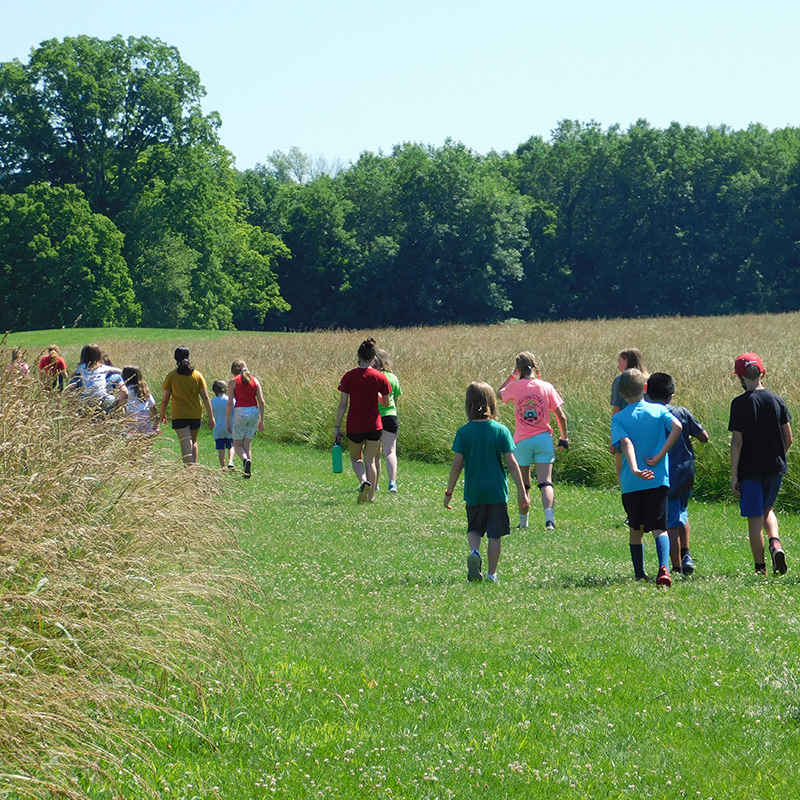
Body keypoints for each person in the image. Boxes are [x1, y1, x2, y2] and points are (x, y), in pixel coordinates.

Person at [444, 382, 530, 584]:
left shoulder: (464, 432)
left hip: (474, 491)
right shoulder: (501, 430)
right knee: (495, 534)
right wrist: (522, 490)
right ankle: (492, 574)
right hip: (496, 492)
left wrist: (449, 491)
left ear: (469, 405)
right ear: (492, 403)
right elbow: (512, 463)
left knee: (474, 528)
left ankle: (475, 552)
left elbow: (457, 465)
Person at [610, 368, 683, 587]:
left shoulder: (619, 418)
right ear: (645, 388)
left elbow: (626, 444)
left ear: (622, 395)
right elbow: (677, 427)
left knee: (636, 528)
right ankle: (664, 568)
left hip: (632, 482)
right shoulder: (658, 411)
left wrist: (634, 469)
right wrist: (661, 454)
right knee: (659, 527)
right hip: (658, 478)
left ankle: (640, 573)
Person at [729, 353, 793, 576]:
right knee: (768, 509)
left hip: (749, 469)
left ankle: (760, 569)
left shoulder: (739, 404)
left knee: (755, 517)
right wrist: (777, 456)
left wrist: (734, 474)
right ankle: (775, 543)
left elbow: (738, 441)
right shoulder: (777, 400)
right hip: (775, 467)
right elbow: (789, 438)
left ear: (739, 377)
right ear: (762, 373)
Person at [646, 372, 710, 575]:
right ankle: (686, 554)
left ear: (647, 393)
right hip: (685, 470)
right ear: (672, 394)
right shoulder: (682, 412)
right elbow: (704, 437)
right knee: (682, 511)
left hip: (665, 473)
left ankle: (676, 567)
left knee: (670, 523)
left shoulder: (649, 414)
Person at [498, 352, 568, 531]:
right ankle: (549, 521)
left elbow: (499, 394)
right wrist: (563, 438)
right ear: (535, 367)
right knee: (546, 482)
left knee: (524, 485)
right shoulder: (546, 387)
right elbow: (561, 416)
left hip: (522, 440)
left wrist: (513, 375)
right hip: (543, 438)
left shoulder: (515, 386)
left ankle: (523, 522)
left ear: (519, 368)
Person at [334, 337, 392, 504]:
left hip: (355, 424)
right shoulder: (381, 377)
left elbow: (343, 404)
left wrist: (337, 426)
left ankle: (363, 481)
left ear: (358, 356)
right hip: (374, 424)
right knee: (371, 460)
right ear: (373, 358)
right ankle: (371, 496)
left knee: (355, 459)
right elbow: (386, 403)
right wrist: (376, 396)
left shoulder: (348, 376)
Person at [160, 346, 215, 465]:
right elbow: (205, 397)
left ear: (175, 358)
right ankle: (193, 469)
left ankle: (189, 473)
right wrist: (211, 416)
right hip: (195, 414)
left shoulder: (172, 376)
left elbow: (165, 399)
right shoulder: (197, 375)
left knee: (185, 444)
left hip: (179, 415)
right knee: (193, 442)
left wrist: (162, 414)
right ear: (189, 357)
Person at [610, 348, 649, 480]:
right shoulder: (648, 379)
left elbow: (617, 409)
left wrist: (612, 437)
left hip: (624, 429)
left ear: (627, 361)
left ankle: (627, 495)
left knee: (622, 470)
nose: (618, 366)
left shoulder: (619, 380)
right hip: (646, 429)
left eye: (620, 361)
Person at [226, 359, 265, 478]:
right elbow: (261, 401)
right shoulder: (255, 380)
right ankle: (247, 469)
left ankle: (244, 460)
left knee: (237, 444)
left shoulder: (233, 382)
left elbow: (229, 403)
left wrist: (227, 420)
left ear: (234, 371)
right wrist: (262, 419)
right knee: (247, 444)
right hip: (254, 411)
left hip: (240, 412)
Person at [373, 347, 403, 493]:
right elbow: (396, 397)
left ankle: (375, 483)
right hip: (390, 415)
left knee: (374, 452)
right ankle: (392, 483)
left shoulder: (372, 377)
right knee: (390, 451)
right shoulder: (392, 377)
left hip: (374, 416)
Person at [69, 344, 123, 411]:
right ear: (99, 356)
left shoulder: (81, 367)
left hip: (86, 400)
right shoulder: (103, 367)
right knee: (112, 400)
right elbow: (119, 370)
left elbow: (72, 379)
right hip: (104, 398)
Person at [122, 365, 158, 433]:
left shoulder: (126, 390)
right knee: (144, 439)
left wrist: (123, 419)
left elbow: (122, 406)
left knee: (132, 439)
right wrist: (156, 422)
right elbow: (152, 405)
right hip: (144, 416)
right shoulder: (144, 390)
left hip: (131, 416)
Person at [211, 380, 234, 470]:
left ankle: (223, 467)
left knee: (221, 449)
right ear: (226, 389)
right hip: (230, 426)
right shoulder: (231, 400)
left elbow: (211, 413)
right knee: (231, 446)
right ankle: (230, 461)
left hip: (218, 428)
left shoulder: (212, 401)